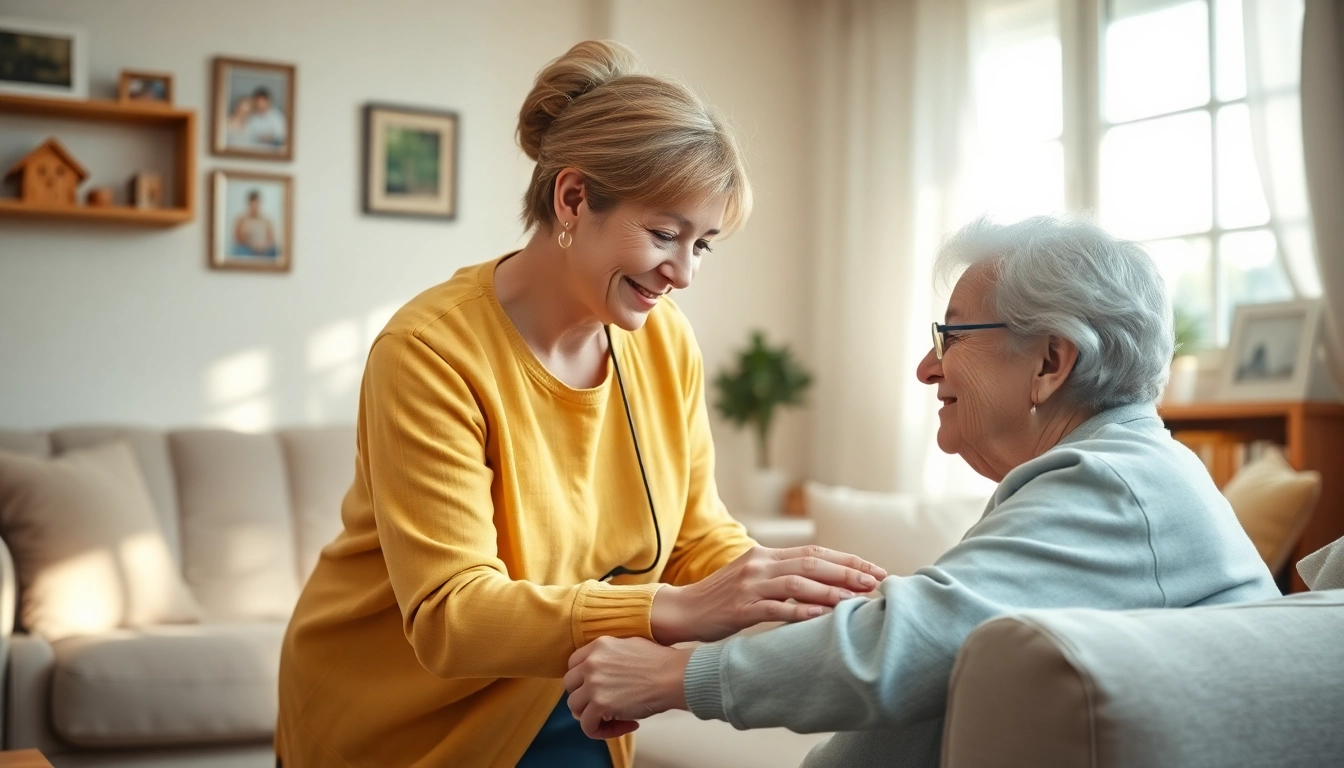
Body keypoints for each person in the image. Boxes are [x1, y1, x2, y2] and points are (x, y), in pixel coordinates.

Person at [274, 40, 885, 768]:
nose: (683, 273)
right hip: (397, 721)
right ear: (572, 199)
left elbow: (691, 535)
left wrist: (787, 588)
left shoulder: (662, 343)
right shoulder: (429, 352)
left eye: (703, 245)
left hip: (571, 688)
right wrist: (676, 610)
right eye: (664, 234)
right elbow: (452, 616)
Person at [564, 215, 1281, 766]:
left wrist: (673, 675)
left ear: (1051, 362)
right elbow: (940, 648)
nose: (924, 369)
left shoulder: (1117, 485)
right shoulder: (1114, 474)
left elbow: (911, 643)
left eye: (952, 337)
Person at [231, 190, 277, 257]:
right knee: (240, 251)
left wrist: (264, 245)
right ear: (249, 204)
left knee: (275, 250)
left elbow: (271, 239)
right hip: (247, 248)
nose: (255, 207)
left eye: (257, 204)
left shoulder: (266, 220)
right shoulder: (241, 219)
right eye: (253, 205)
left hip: (263, 249)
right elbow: (237, 238)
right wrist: (251, 244)